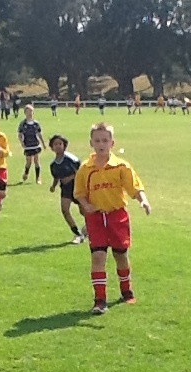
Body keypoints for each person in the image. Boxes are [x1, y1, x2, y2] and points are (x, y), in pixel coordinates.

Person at [74, 122, 151, 314]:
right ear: (91, 142)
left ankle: (126, 290)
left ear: (112, 143)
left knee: (120, 255)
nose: (101, 144)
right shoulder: (85, 168)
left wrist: (143, 201)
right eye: (97, 140)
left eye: (105, 140)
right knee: (98, 256)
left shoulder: (121, 166)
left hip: (117, 216)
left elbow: (135, 187)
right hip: (96, 219)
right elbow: (79, 192)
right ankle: (100, 300)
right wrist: (86, 205)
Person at [48, 134, 86, 244]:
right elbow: (56, 177)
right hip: (65, 189)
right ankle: (77, 233)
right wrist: (53, 186)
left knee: (83, 211)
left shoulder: (71, 159)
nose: (58, 146)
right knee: (65, 210)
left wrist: (70, 178)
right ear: (52, 147)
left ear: (64, 145)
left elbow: (81, 171)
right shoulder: (53, 164)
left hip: (77, 187)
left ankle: (90, 227)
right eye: (55, 144)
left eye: (60, 144)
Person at [18, 105, 45, 184]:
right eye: (28, 111)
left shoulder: (36, 124)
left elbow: (39, 134)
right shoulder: (23, 124)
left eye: (31, 111)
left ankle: (38, 179)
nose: (29, 113)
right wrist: (22, 143)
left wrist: (43, 143)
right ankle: (26, 173)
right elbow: (20, 134)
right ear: (25, 113)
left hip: (36, 144)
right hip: (27, 145)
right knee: (29, 161)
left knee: (36, 161)